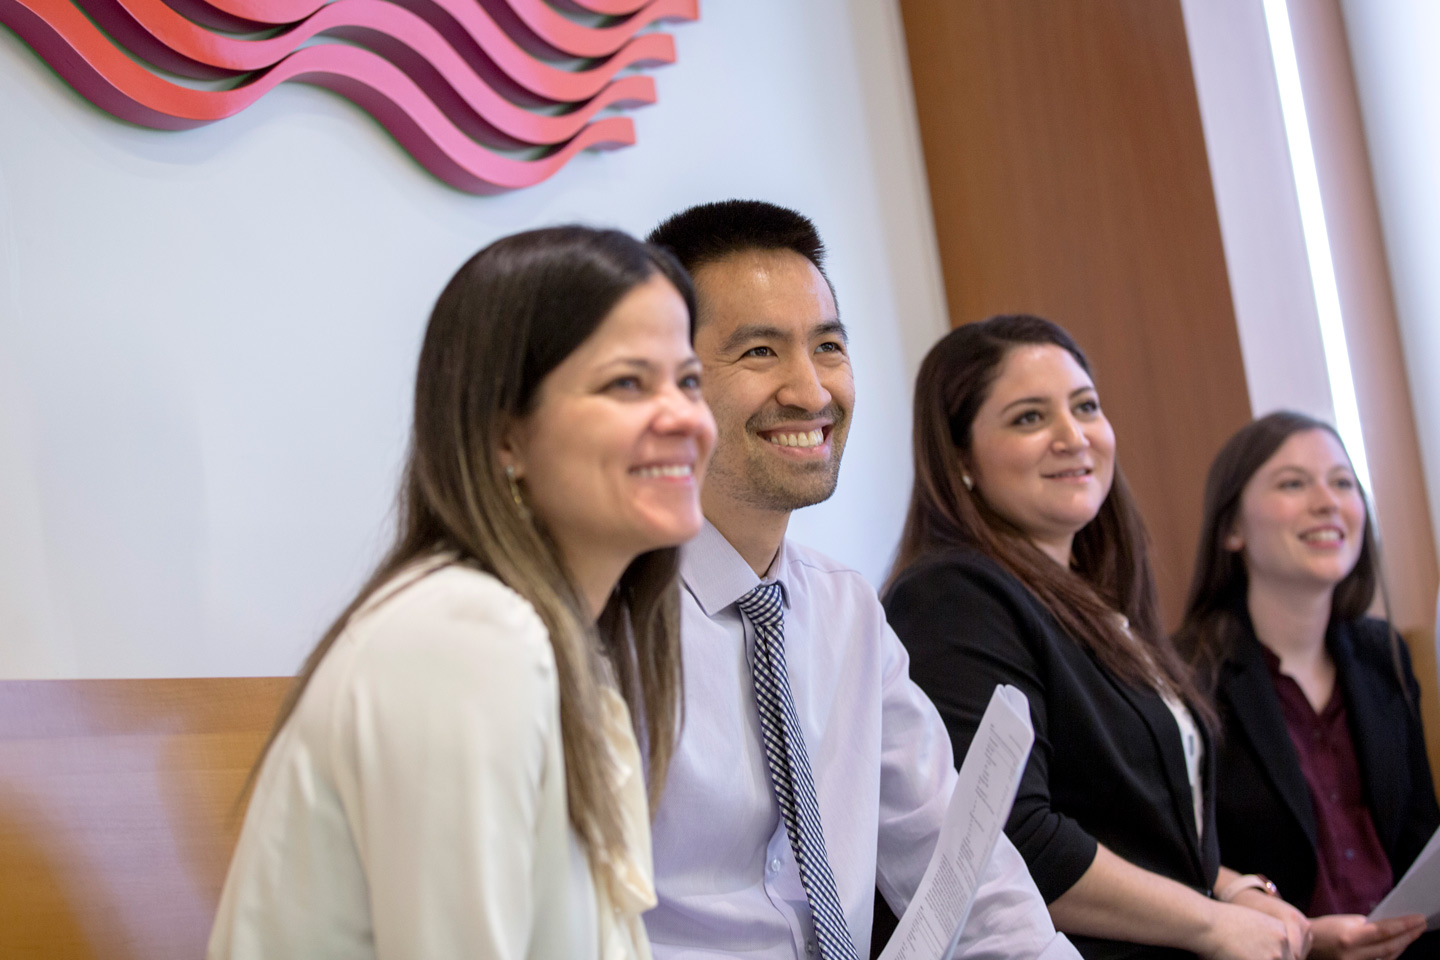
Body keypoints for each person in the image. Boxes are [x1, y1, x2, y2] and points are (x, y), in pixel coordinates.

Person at [207, 226, 716, 959]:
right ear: (505, 438)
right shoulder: (467, 637)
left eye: (688, 381)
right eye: (627, 384)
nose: (686, 417)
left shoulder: (557, 644)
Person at [642, 200, 1078, 960]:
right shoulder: (602, 621)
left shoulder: (845, 609)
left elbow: (959, 869)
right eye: (759, 352)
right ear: (666, 382)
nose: (812, 392)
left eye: (829, 347)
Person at [880, 315, 1310, 960]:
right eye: (1030, 417)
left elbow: (1131, 828)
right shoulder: (952, 596)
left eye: (1085, 407)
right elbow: (1007, 836)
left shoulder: (1097, 604)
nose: (1074, 436)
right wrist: (1211, 923)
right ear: (961, 457)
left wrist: (1234, 892)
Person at [1175, 411, 1436, 960]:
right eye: (1293, 484)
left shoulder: (1383, 654)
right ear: (1231, 529)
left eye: (1342, 482)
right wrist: (1308, 939)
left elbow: (1419, 841)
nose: (1327, 502)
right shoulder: (1184, 674)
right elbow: (1180, 862)